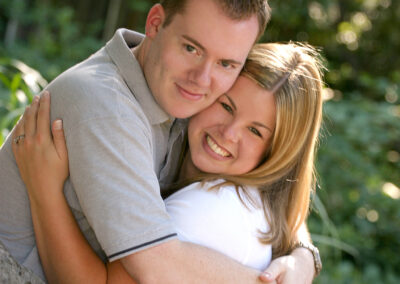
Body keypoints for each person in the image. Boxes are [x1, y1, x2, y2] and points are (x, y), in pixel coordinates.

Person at [0, 0, 318, 282]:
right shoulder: (108, 109)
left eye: (225, 64)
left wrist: (303, 256)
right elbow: (156, 266)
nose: (202, 80)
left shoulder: (183, 101)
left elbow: (285, 184)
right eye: (191, 48)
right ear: (155, 23)